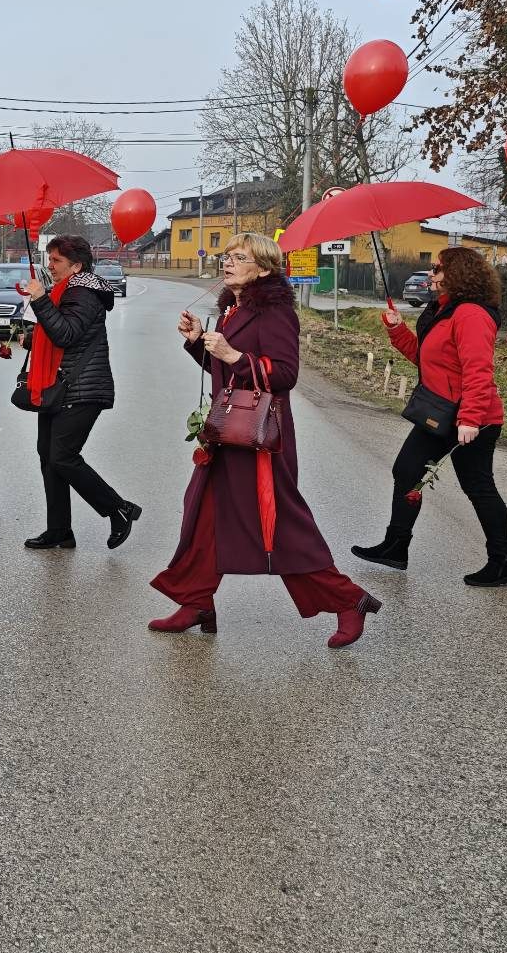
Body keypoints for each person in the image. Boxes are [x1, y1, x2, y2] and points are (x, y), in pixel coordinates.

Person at [149, 233, 380, 647]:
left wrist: (234, 356)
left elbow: (284, 373)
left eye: (240, 256)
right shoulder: (232, 310)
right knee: (202, 514)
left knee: (280, 526)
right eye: (227, 255)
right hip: (227, 432)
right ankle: (196, 600)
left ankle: (349, 600)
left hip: (260, 439)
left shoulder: (274, 311)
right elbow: (228, 374)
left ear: (265, 269)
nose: (228, 262)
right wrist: (199, 343)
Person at [351, 246, 507, 586]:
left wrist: (470, 418)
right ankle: (396, 547)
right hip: (440, 412)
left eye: (438, 268)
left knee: (478, 486)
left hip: (471, 418)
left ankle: (502, 562)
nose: (432, 274)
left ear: (458, 274)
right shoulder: (444, 311)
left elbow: (478, 370)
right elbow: (429, 361)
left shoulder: (471, 314)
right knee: (407, 471)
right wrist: (397, 330)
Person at [15, 234, 141, 550]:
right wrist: (32, 340)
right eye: (49, 258)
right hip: (59, 386)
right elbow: (59, 336)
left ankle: (119, 508)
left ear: (76, 265)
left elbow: (68, 334)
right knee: (49, 457)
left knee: (62, 456)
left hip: (82, 388)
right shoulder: (66, 290)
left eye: (56, 260)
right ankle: (59, 530)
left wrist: (41, 300)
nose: (49, 265)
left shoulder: (83, 292)